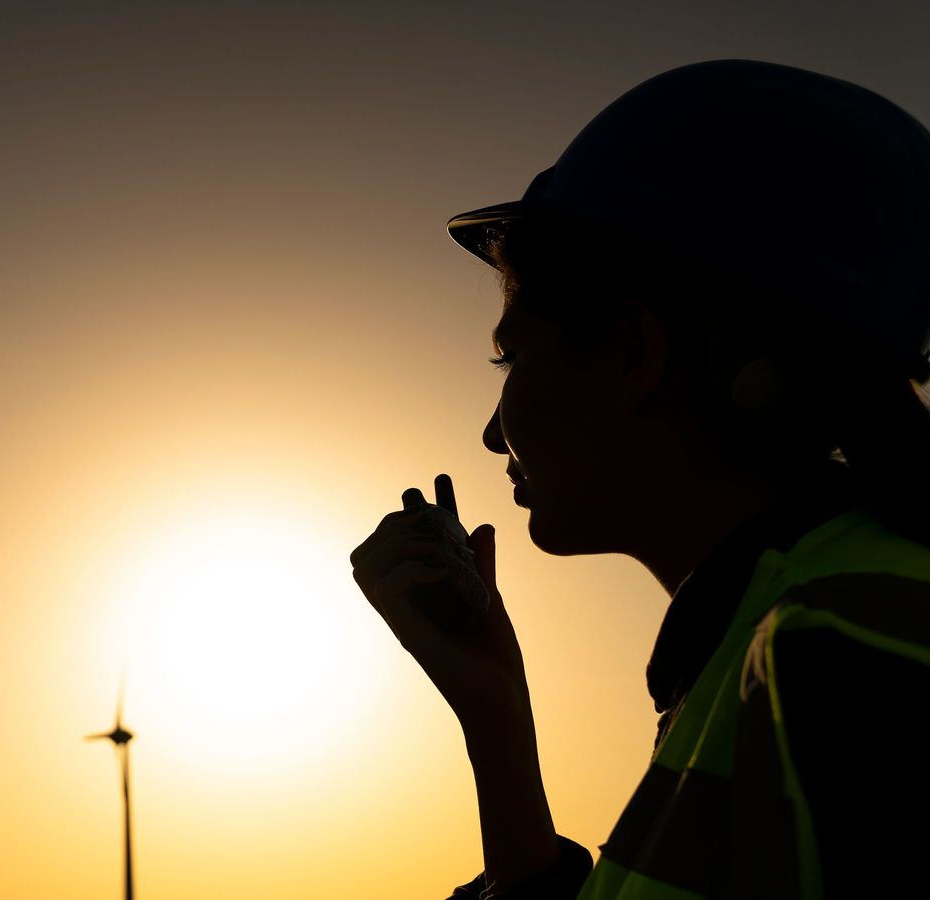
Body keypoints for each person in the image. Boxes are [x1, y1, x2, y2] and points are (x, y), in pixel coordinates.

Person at [350, 59, 930, 899]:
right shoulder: (785, 642)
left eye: (510, 355)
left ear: (630, 352)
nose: (489, 432)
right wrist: (497, 720)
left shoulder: (847, 656)